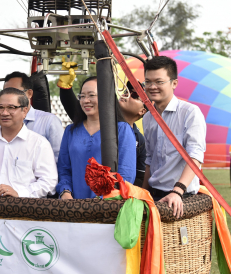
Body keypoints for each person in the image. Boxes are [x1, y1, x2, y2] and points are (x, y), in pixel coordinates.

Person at [142, 56, 206, 218]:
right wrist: (142, 193)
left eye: (159, 82)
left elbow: (195, 156)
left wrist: (177, 191)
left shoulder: (189, 112)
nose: (152, 87)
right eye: (148, 82)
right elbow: (150, 159)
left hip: (180, 196)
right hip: (154, 195)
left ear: (174, 83)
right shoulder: (148, 118)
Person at [0, 88, 58, 198]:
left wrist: (19, 193)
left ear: (24, 111)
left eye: (11, 107)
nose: (4, 113)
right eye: (0, 107)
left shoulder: (39, 144)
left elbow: (49, 183)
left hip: (24, 212)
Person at [56, 76, 136, 199]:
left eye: (91, 95)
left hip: (108, 207)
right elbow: (64, 169)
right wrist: (65, 192)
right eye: (82, 96)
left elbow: (126, 174)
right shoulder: (70, 131)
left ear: (106, 97)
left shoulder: (121, 130)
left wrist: (103, 200)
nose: (85, 100)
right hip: (73, 207)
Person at [0, 72, 64, 163]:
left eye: (15, 92)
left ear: (29, 93)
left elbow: (60, 158)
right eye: (6, 92)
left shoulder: (50, 121)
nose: (9, 96)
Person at [118, 81, 148, 187]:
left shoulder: (140, 140)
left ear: (142, 111)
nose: (126, 95)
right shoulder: (100, 122)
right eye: (127, 91)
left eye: (134, 95)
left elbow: (140, 177)